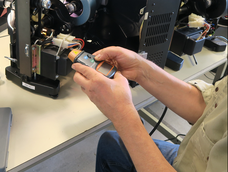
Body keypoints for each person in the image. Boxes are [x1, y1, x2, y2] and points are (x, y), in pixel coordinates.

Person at [72, 46, 227, 172]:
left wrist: (122, 113)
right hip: (196, 155)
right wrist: (141, 70)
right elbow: (209, 106)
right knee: (110, 143)